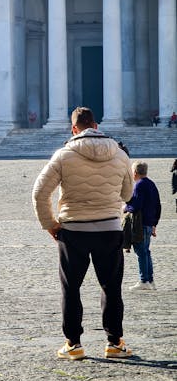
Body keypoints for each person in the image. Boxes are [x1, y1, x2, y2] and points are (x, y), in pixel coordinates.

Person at [32, 106, 134, 361]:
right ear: (96, 126)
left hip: (73, 230)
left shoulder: (63, 155)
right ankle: (115, 343)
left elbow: (39, 193)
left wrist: (51, 224)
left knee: (71, 288)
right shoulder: (120, 155)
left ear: (74, 129)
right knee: (111, 288)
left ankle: (73, 344)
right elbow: (128, 194)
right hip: (109, 228)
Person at [124, 161, 161, 290]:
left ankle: (144, 280)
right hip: (149, 223)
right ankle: (150, 280)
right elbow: (158, 205)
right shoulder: (151, 184)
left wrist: (126, 207)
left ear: (135, 173)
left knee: (141, 252)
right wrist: (154, 223)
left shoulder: (139, 185)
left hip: (140, 224)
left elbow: (136, 205)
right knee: (146, 251)